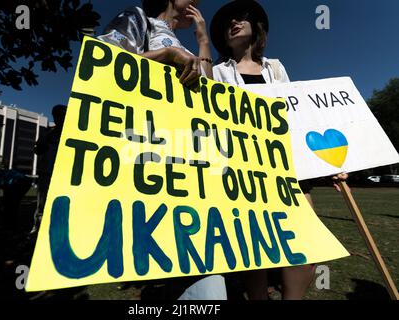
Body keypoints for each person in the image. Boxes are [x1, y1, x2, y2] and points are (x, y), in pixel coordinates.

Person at [210, 0, 347, 300]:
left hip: (287, 167)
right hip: (245, 168)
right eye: (228, 22)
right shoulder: (219, 71)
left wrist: (326, 164)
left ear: (256, 28)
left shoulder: (276, 67)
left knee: (305, 242)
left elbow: (295, 119)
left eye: (242, 17)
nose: (234, 22)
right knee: (257, 245)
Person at [97, 0, 226, 300]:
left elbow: (208, 87)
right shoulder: (139, 18)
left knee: (201, 268)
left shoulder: (183, 42)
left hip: (188, 159)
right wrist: (166, 54)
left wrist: (203, 40)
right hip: (149, 154)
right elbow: (107, 59)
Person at [30, 104, 67, 234]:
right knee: (42, 203)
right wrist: (45, 140)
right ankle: (38, 229)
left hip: (64, 174)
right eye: (59, 114)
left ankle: (58, 229)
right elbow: (37, 150)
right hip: (47, 172)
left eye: (64, 114)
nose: (61, 117)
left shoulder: (72, 132)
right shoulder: (47, 133)